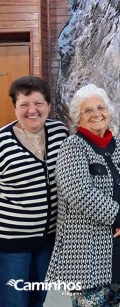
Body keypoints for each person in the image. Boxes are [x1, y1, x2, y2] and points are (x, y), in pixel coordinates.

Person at [45, 84, 120, 306]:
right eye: (88, 110)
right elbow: (79, 192)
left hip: (116, 252)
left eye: (100, 108)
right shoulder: (72, 147)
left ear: (108, 112)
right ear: (79, 117)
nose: (96, 113)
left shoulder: (117, 145)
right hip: (85, 256)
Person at [0, 76, 68, 307]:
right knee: (14, 301)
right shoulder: (2, 143)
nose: (32, 111)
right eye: (24, 105)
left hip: (47, 241)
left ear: (48, 105)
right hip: (11, 244)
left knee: (38, 299)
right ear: (15, 108)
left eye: (38, 103)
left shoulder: (60, 132)